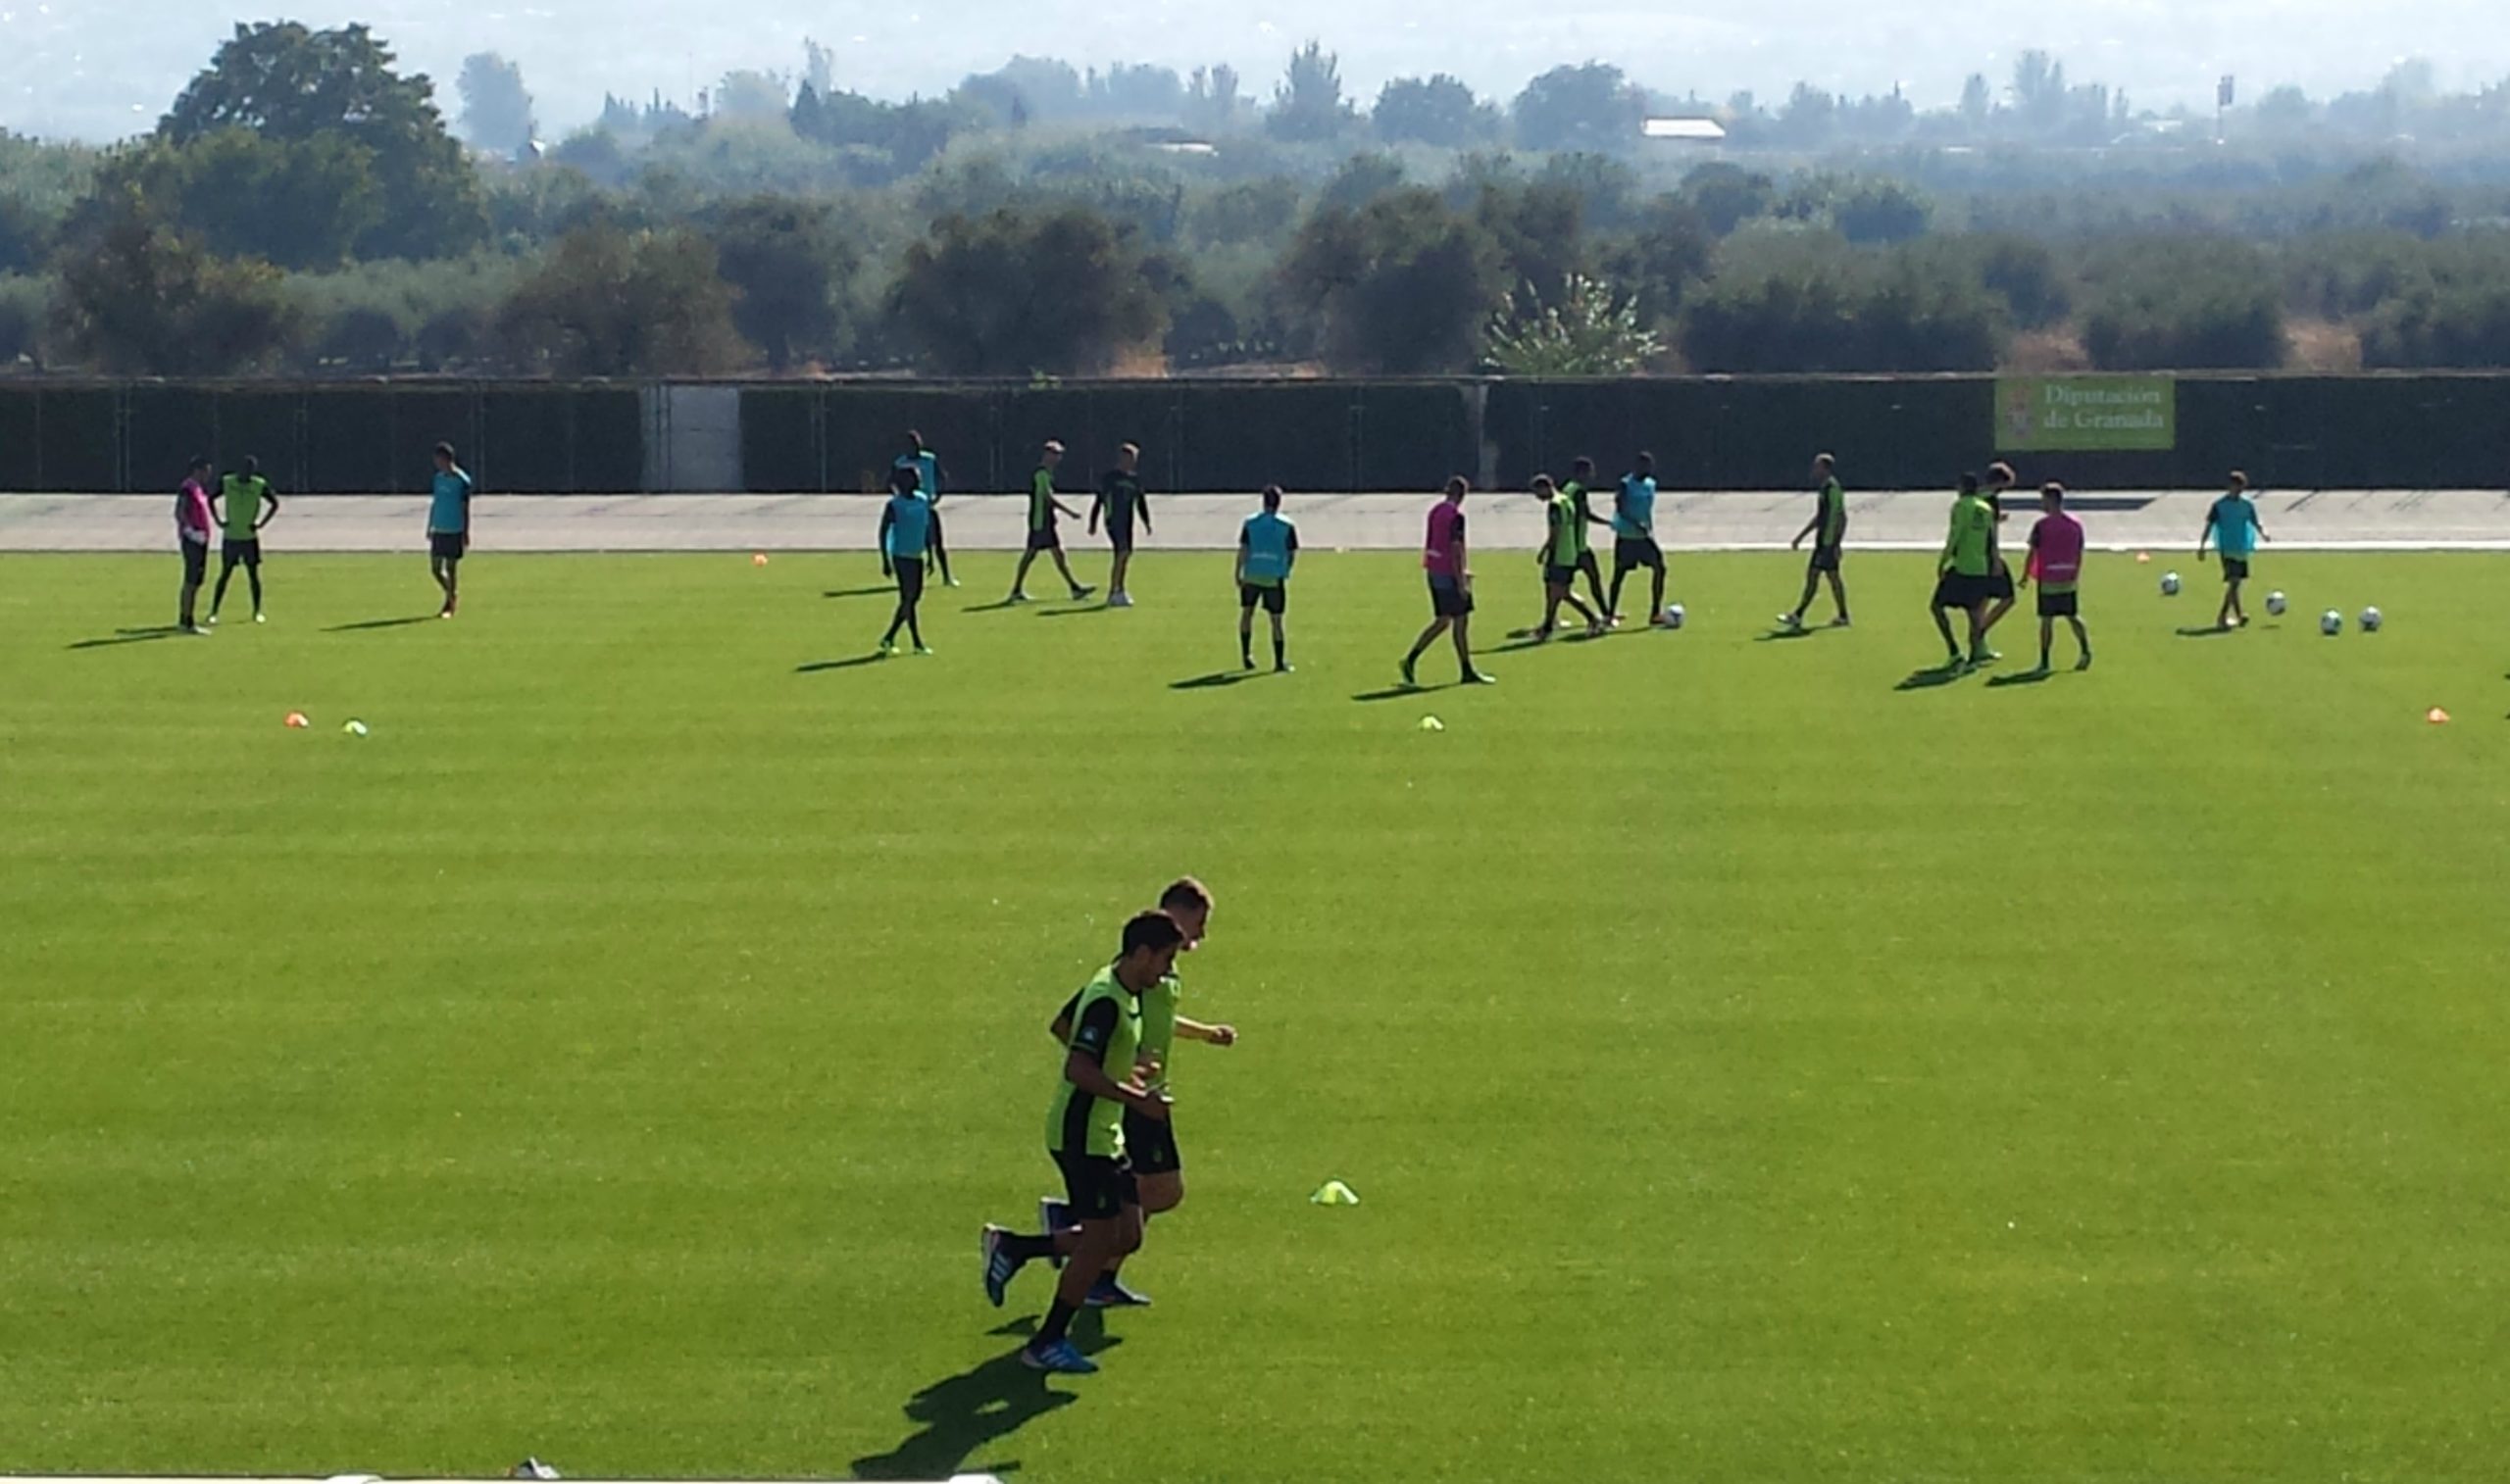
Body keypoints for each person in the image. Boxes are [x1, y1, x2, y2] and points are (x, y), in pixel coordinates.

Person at [980, 910, 1186, 1375]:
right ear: (1141, 953)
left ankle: (1014, 1249)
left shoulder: (1127, 992)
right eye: (1165, 959)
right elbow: (1076, 1067)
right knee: (1098, 1241)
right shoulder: (1107, 1000)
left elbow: (1081, 1042)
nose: (1168, 971)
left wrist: (1128, 1074)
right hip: (1081, 1138)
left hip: (1104, 1135)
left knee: (1127, 1234)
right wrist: (1134, 1097)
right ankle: (1047, 1341)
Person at [1038, 879, 1236, 1306]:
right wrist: (1119, 1075)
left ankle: (1091, 1259)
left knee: (1140, 1208)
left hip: (1144, 1095)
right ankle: (1076, 1234)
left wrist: (1206, 1035)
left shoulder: (1158, 970)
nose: (1200, 936)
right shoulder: (1130, 975)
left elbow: (1162, 1020)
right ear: (1173, 913)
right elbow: (1066, 1026)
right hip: (1131, 1102)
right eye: (1198, 924)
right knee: (1160, 1193)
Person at [1400, 477, 1494, 688]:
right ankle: (1465, 670)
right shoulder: (1456, 516)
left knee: (1444, 620)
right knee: (1459, 622)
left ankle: (1412, 660)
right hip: (1449, 573)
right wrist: (1461, 579)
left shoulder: (1435, 511)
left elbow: (1434, 541)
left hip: (1434, 570)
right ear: (1463, 494)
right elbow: (1455, 548)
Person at [1009, 440, 1094, 604]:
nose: (1058, 458)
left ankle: (1074, 588)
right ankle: (1016, 590)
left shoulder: (1047, 474)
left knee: (1055, 554)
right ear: (1047, 454)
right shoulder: (1041, 474)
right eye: (1055, 454)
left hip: (1046, 522)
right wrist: (1070, 513)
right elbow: (1048, 498)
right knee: (1032, 555)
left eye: (1059, 454)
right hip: (1040, 522)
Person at [2021, 482, 2092, 673]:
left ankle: (2044, 661)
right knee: (2072, 615)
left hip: (2049, 577)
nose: (2041, 503)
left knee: (2046, 619)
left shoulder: (2041, 525)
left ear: (2050, 500)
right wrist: (2076, 571)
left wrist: (2025, 575)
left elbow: (2033, 551)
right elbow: (2079, 551)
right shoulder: (2075, 524)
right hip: (2068, 576)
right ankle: (2085, 650)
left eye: (2043, 499)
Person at [1931, 472, 1999, 670]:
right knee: (1974, 613)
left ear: (1961, 488)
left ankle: (1954, 652)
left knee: (1936, 607)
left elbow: (1955, 535)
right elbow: (1991, 539)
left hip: (1962, 567)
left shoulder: (1961, 507)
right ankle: (1975, 654)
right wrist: (1994, 562)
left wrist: (1943, 561)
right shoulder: (1985, 508)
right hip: (1980, 567)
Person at [1780, 453, 1851, 630]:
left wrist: (1836, 544)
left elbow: (1841, 517)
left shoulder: (1832, 489)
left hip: (1827, 544)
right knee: (1832, 578)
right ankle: (1843, 616)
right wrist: (1801, 537)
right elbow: (1820, 518)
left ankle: (1798, 615)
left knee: (1814, 577)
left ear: (1824, 468)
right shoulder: (1825, 488)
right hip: (1823, 543)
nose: (1814, 469)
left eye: (1817, 466)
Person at [1531, 474, 1606, 642]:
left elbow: (1555, 531)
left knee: (1562, 593)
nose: (1537, 497)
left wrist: (1545, 551)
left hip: (1560, 555)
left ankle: (1593, 619)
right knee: (1553, 592)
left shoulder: (1555, 505)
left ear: (1545, 487)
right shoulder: (1566, 500)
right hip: (1570, 552)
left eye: (1537, 492)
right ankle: (1547, 627)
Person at [208, 455, 278, 626]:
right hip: (231, 536)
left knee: (253, 575)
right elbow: (210, 499)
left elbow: (274, 503)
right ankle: (214, 612)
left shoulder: (258, 484)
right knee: (225, 574)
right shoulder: (228, 482)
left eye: (250, 470)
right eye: (244, 469)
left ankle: (257, 611)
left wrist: (260, 523)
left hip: (249, 537)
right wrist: (218, 520)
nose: (246, 474)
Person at [1235, 485, 1299, 672]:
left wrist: (1238, 572)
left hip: (1252, 574)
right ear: (1279, 503)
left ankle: (1246, 655)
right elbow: (1292, 553)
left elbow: (1243, 549)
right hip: (1273, 576)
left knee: (1247, 614)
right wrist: (1285, 570)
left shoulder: (1250, 523)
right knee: (1276, 620)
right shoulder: (1286, 525)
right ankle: (1279, 662)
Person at [875, 464, 935, 657]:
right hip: (901, 555)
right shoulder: (894, 505)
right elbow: (883, 531)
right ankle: (917, 642)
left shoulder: (922, 500)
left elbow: (926, 528)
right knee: (908, 598)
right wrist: (885, 558)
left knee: (912, 599)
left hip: (917, 555)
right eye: (914, 477)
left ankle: (889, 637)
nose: (918, 480)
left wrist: (931, 555)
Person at [2199, 470, 2269, 630]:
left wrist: (2264, 534)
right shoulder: (2219, 506)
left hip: (2241, 548)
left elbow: (2256, 522)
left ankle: (2239, 615)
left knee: (2235, 583)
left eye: (2240, 487)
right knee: (2235, 581)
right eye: (2235, 487)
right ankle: (2222, 616)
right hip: (2227, 548)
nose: (2237, 490)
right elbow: (2209, 525)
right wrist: (2202, 546)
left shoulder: (2247, 505)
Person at [1607, 451, 1669, 626]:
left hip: (1644, 537)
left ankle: (1655, 612)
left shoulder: (1651, 484)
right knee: (1619, 575)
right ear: (1637, 466)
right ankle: (1609, 613)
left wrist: (1648, 527)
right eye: (1644, 465)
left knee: (1660, 568)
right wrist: (1636, 523)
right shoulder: (1625, 484)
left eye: (1650, 465)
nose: (1648, 468)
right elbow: (1620, 508)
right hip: (1627, 536)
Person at [1088, 442, 1151, 608]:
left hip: (1127, 522)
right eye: (1129, 458)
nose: (1132, 461)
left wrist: (1146, 523)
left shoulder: (1134, 480)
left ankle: (1120, 590)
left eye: (1134, 458)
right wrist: (1093, 522)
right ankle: (1113, 592)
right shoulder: (1110, 478)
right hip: (1113, 521)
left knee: (1125, 555)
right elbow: (1099, 500)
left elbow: (1140, 502)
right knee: (1121, 553)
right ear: (1121, 458)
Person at [891, 431, 956, 588]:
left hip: (926, 506)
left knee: (937, 541)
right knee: (912, 542)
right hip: (909, 510)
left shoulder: (929, 459)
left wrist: (938, 496)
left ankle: (947, 576)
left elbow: (942, 477)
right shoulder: (901, 462)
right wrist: (900, 498)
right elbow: (892, 481)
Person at [1559, 457, 1615, 620]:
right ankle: (1605, 615)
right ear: (1582, 472)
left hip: (1568, 545)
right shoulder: (1579, 491)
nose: (1592, 475)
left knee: (1561, 586)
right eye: (1590, 471)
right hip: (1579, 546)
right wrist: (1609, 523)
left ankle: (1552, 619)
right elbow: (1585, 514)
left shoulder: (1567, 488)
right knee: (1594, 579)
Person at [427, 442, 475, 619]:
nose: (436, 463)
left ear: (446, 459)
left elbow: (465, 508)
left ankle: (450, 605)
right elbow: (436, 503)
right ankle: (452, 593)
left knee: (451, 568)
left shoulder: (461, 481)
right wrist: (430, 526)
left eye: (438, 459)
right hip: (439, 527)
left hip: (454, 528)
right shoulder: (438, 479)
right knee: (435, 569)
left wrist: (465, 531)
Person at [1977, 461, 2021, 644]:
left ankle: (1979, 641)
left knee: (1983, 598)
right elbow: (1992, 531)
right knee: (2008, 598)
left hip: (1975, 552)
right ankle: (1980, 631)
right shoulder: (1992, 499)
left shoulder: (1977, 496)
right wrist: (1995, 558)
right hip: (1988, 553)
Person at [176, 457, 215, 635]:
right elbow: (180, 511)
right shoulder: (188, 489)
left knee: (196, 581)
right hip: (192, 540)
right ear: (197, 470)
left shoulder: (199, 489)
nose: (208, 474)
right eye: (206, 470)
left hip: (201, 540)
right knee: (191, 580)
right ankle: (187, 620)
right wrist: (190, 531)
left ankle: (186, 617)